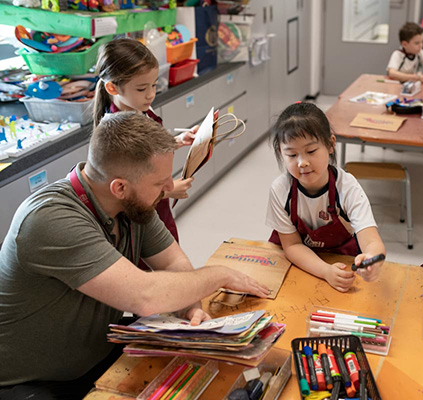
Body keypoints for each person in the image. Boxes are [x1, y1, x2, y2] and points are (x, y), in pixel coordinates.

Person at [0, 112, 270, 398]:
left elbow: (173, 262)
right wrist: (219, 275)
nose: (169, 188)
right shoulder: (50, 220)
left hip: (98, 349)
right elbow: (146, 297)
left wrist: (189, 306)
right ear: (119, 187)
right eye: (160, 183)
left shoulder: (131, 205)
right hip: (33, 382)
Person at [266, 102, 386, 292]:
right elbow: (292, 246)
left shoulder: (347, 187)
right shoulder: (280, 190)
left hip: (340, 261)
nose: (302, 162)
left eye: (311, 151)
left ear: (330, 144)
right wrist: (324, 271)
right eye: (291, 154)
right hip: (298, 264)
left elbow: (371, 240)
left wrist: (372, 259)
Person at [94, 38, 196, 245]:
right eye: (141, 89)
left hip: (157, 205)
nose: (151, 94)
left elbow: (145, 152)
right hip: (138, 215)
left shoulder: (141, 109)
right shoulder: (115, 133)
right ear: (113, 88)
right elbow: (122, 192)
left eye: (154, 85)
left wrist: (176, 141)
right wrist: (166, 190)